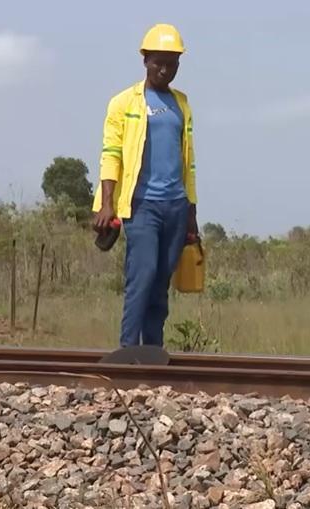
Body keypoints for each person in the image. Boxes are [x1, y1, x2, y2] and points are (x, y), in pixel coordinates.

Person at [92, 23, 199, 348]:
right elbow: (110, 154)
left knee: (161, 282)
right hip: (141, 206)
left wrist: (192, 215)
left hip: (176, 206)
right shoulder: (123, 103)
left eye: (172, 62)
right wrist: (107, 203)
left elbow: (188, 163)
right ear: (145, 61)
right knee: (143, 274)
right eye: (158, 62)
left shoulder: (181, 103)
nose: (165, 69)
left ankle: (153, 350)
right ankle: (128, 349)